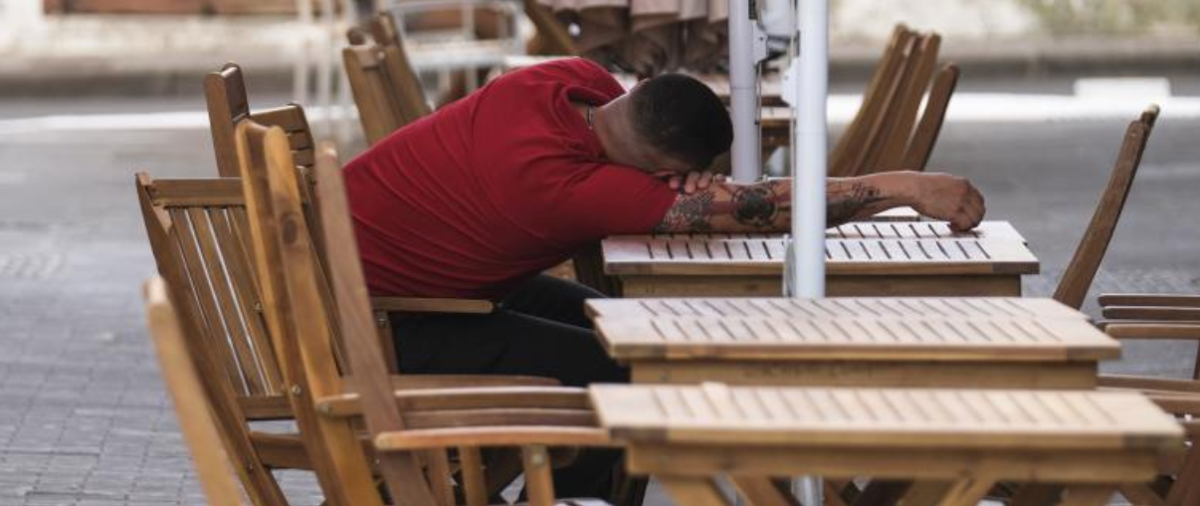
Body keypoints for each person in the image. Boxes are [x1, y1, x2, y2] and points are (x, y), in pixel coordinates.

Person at [344, 57, 985, 496]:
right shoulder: (562, 187)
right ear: (665, 163)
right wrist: (905, 186)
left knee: (617, 323)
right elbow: (766, 212)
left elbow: (714, 193)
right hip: (377, 320)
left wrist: (672, 182)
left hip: (377, 278)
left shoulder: (570, 82)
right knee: (616, 371)